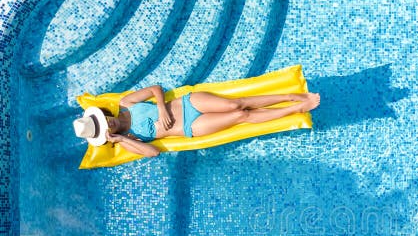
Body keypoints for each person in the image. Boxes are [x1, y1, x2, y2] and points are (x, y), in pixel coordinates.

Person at [72, 85, 320, 157]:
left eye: (104, 121)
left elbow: (155, 89)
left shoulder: (126, 103)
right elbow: (152, 153)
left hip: (188, 104)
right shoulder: (129, 139)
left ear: (103, 114)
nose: (109, 125)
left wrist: (162, 108)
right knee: (241, 116)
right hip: (190, 128)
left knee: (237, 103)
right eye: (104, 129)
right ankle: (297, 108)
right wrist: (118, 139)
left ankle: (289, 95)